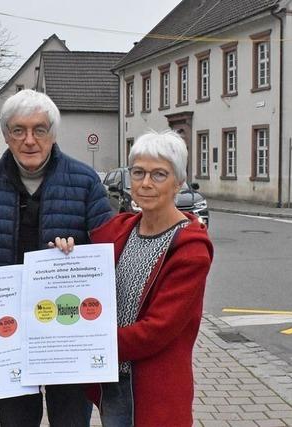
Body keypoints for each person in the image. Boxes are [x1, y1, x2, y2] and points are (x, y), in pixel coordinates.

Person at [0, 89, 112, 426]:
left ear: (53, 134)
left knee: (70, 421)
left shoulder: (84, 181)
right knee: (17, 421)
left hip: (66, 332)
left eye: (40, 129)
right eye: (18, 130)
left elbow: (106, 255)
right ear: (5, 135)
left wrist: (76, 256)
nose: (29, 140)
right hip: (8, 333)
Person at [53, 130, 213, 427]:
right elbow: (84, 276)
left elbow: (157, 330)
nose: (146, 183)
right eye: (138, 172)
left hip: (154, 387)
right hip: (113, 380)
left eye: (159, 174)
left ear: (178, 183)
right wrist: (64, 257)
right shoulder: (120, 229)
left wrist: (85, 344)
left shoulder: (190, 250)